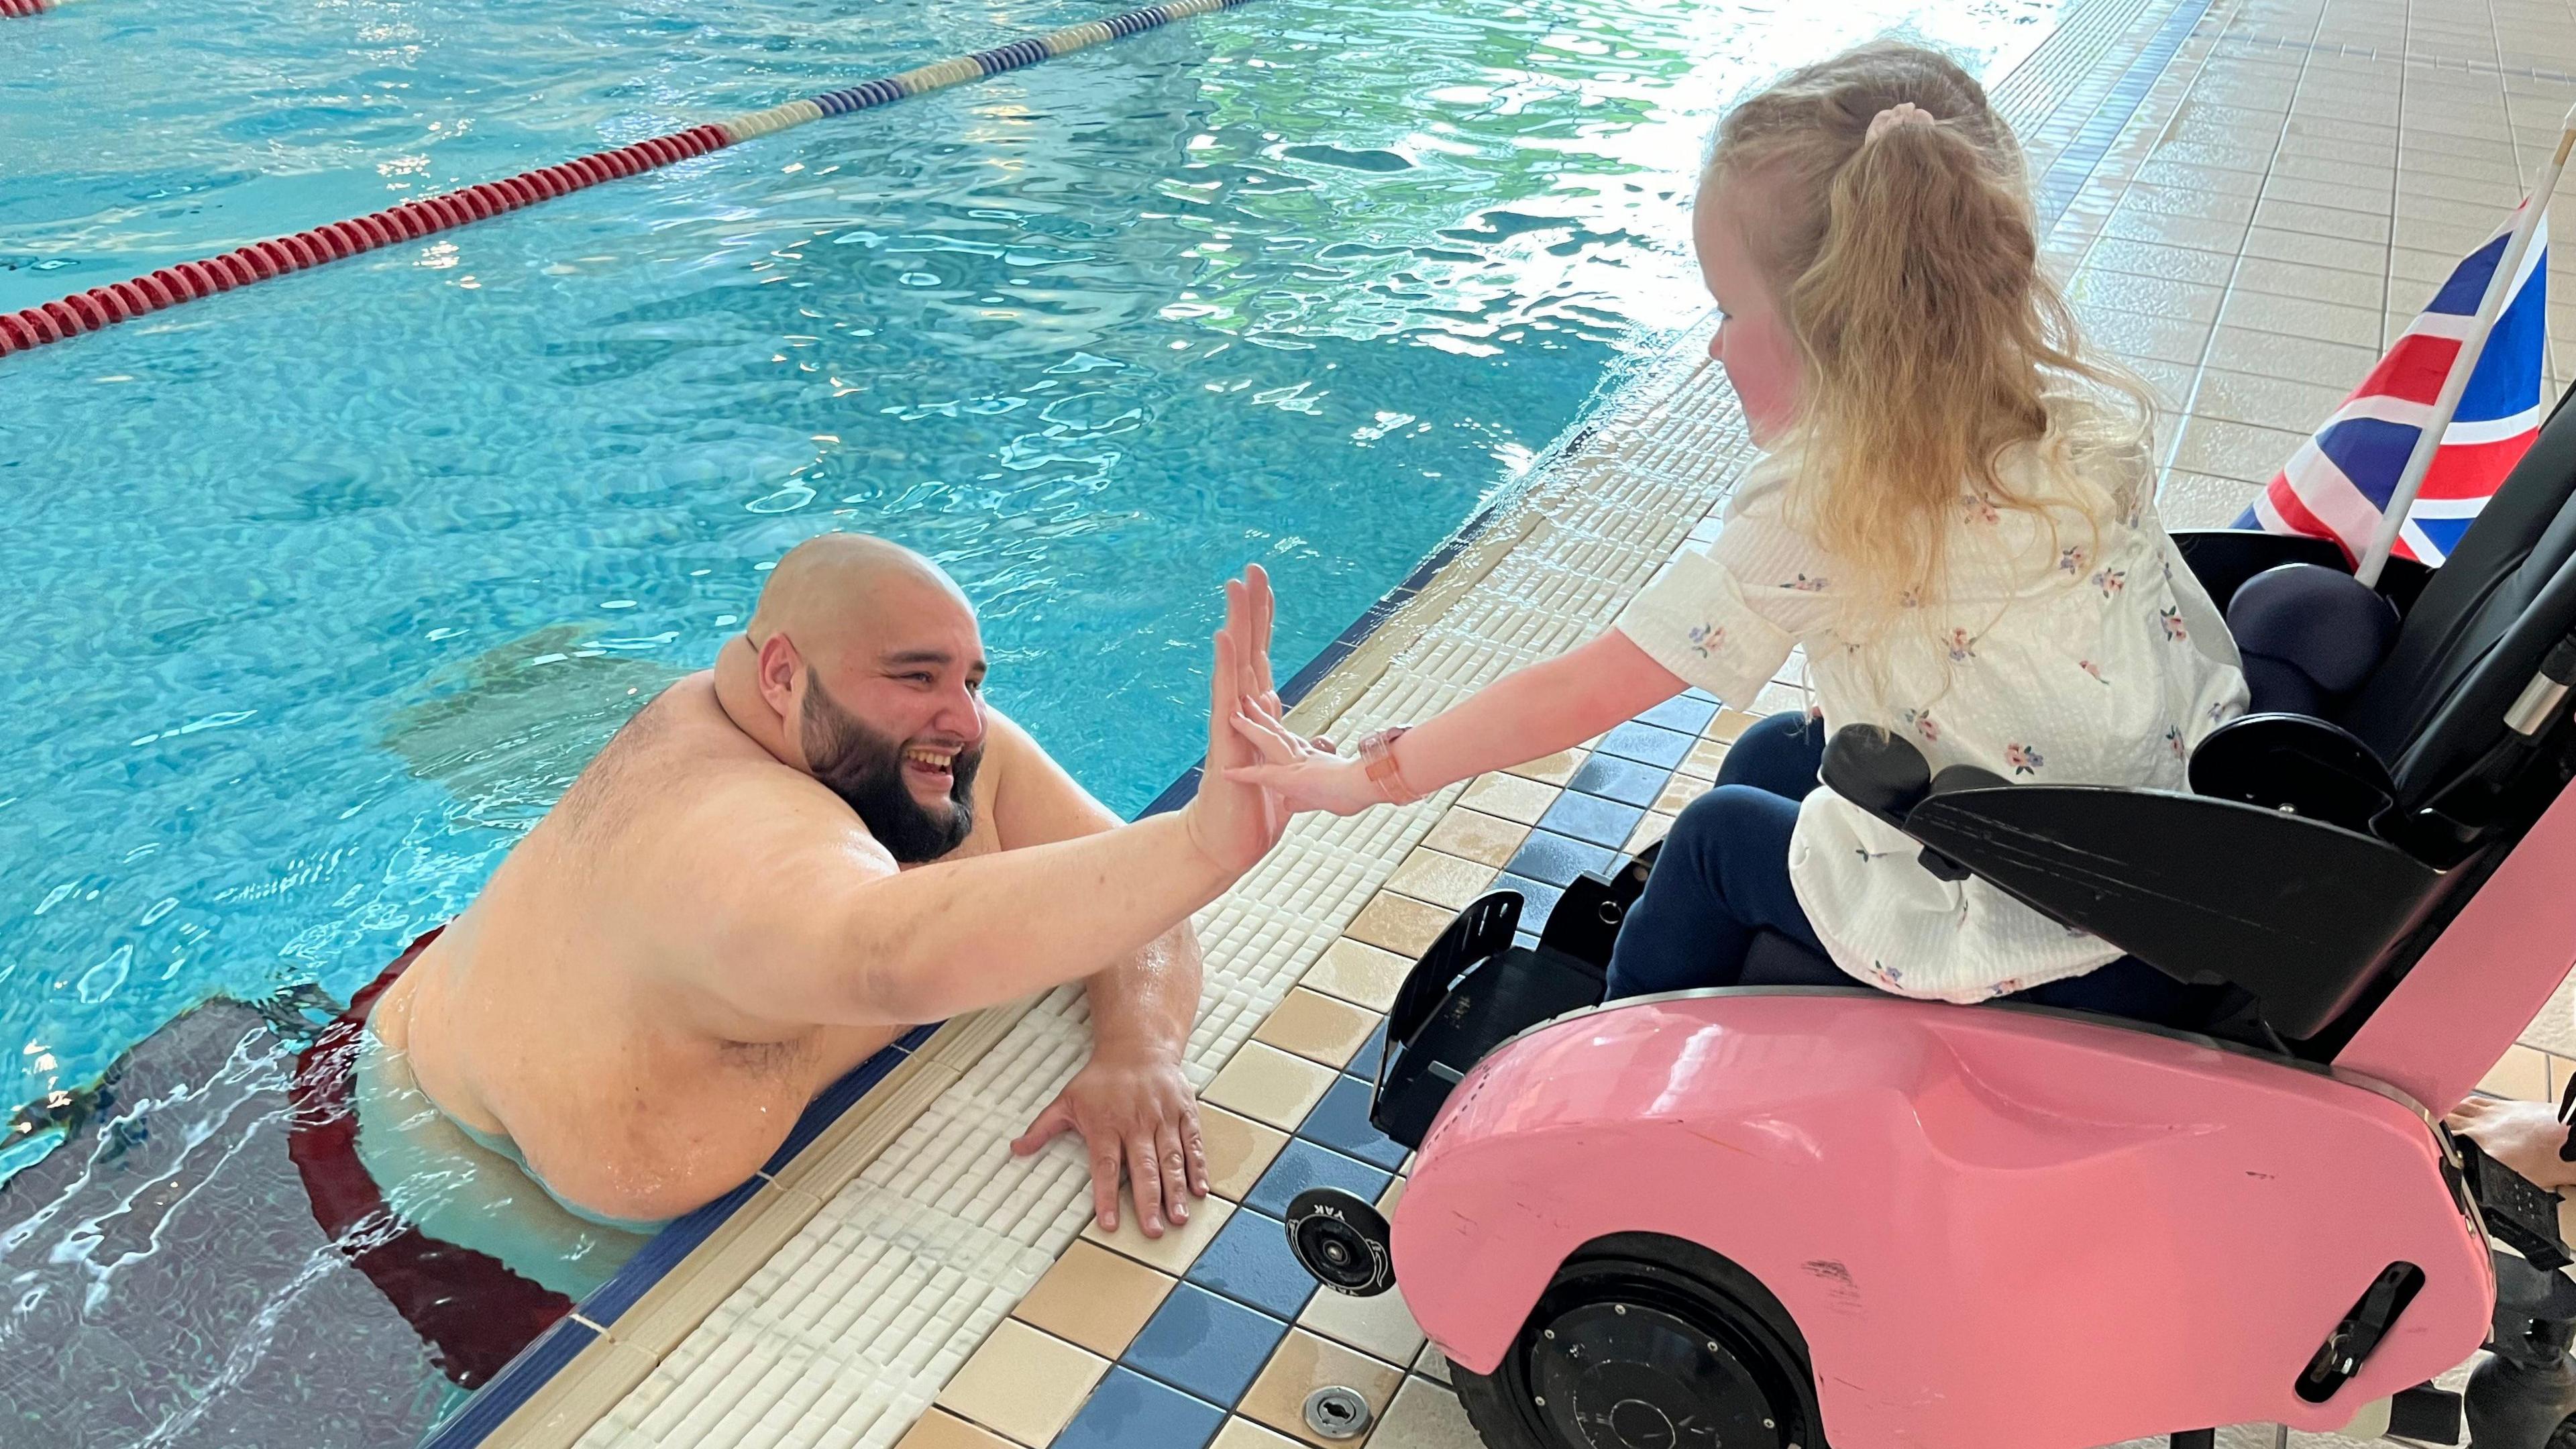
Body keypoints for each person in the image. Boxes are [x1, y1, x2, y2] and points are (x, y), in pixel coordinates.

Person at [1225, 42, 2246, 1020]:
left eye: (1724, 312)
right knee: (1774, 752)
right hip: (2157, 856)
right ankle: (1727, 987)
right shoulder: (2076, 423)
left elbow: (1583, 690)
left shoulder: (1830, 505)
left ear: (1833, 333)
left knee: (1717, 839)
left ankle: (1604, 1070)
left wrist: (1365, 778)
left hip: (2049, 936)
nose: (1713, 345)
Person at [290, 535, 1293, 1383]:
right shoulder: (724, 837)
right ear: (781, 675)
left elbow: (1129, 895)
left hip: (492, 991)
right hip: (442, 1203)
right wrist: (1207, 839)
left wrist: (1140, 1047)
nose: (964, 717)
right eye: (915, 677)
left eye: (970, 679)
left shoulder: (921, 757)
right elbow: (885, 956)